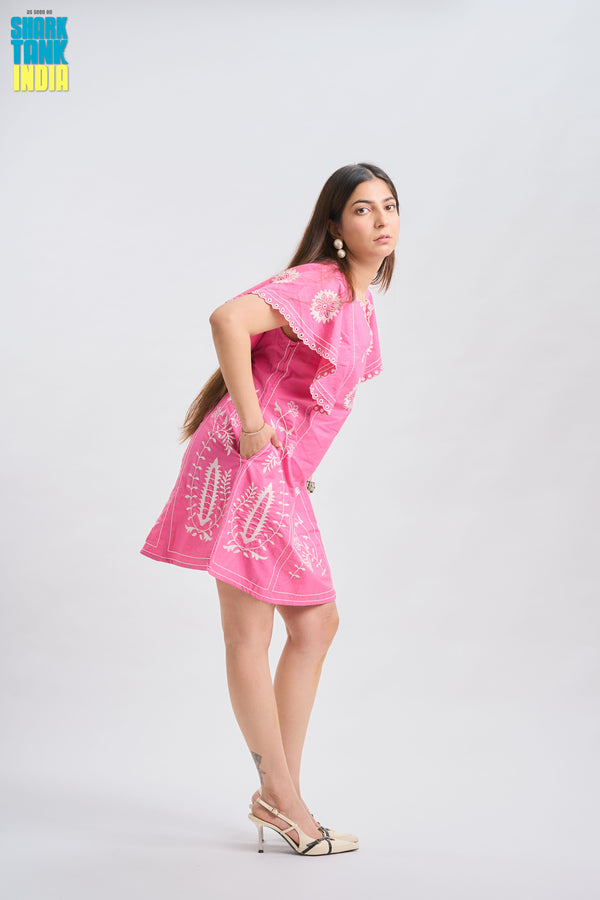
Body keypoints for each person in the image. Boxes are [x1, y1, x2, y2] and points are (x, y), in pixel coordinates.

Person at [140, 162, 400, 856]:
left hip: (275, 472)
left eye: (390, 207)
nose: (381, 221)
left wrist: (294, 470)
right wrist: (255, 430)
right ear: (336, 228)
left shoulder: (359, 302)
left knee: (313, 625)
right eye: (363, 210)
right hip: (246, 459)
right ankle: (284, 801)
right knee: (256, 631)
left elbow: (311, 401)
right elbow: (228, 318)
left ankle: (277, 794)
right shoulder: (317, 284)